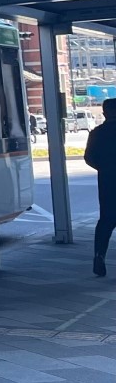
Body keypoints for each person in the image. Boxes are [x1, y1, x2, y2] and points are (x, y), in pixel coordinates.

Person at [86, 98, 116, 276]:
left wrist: (104, 168)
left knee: (106, 221)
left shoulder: (97, 133)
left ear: (104, 113)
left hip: (107, 182)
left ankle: (99, 255)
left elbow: (88, 157)